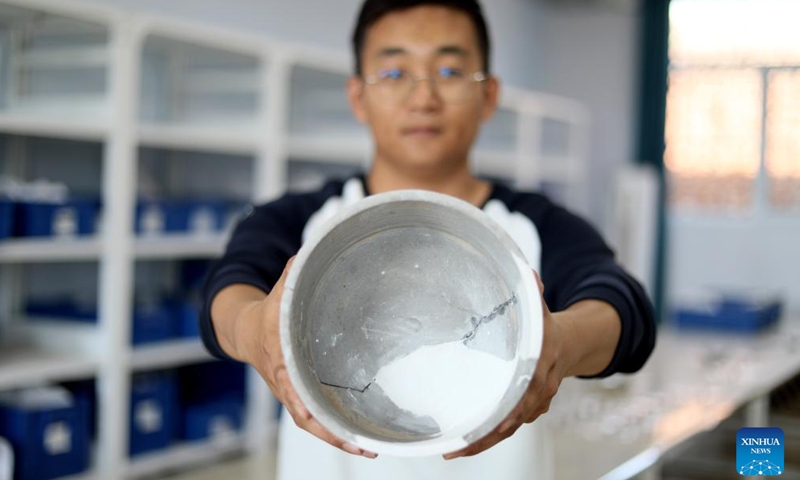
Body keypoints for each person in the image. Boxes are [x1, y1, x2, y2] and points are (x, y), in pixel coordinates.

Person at [199, 0, 657, 479]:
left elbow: (626, 310)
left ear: (489, 95)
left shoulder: (538, 226)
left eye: (450, 69)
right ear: (358, 96)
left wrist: (559, 344)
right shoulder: (299, 221)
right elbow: (227, 289)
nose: (424, 98)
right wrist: (255, 331)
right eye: (395, 73)